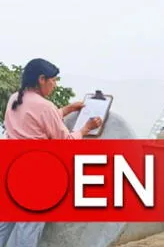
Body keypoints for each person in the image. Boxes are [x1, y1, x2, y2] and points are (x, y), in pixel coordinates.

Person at [0, 58, 102, 247]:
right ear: (41, 79)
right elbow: (65, 142)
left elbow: (38, 119)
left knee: (4, 225)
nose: (54, 85)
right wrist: (85, 129)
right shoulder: (44, 107)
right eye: (53, 80)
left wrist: (69, 109)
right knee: (28, 228)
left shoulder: (16, 98)